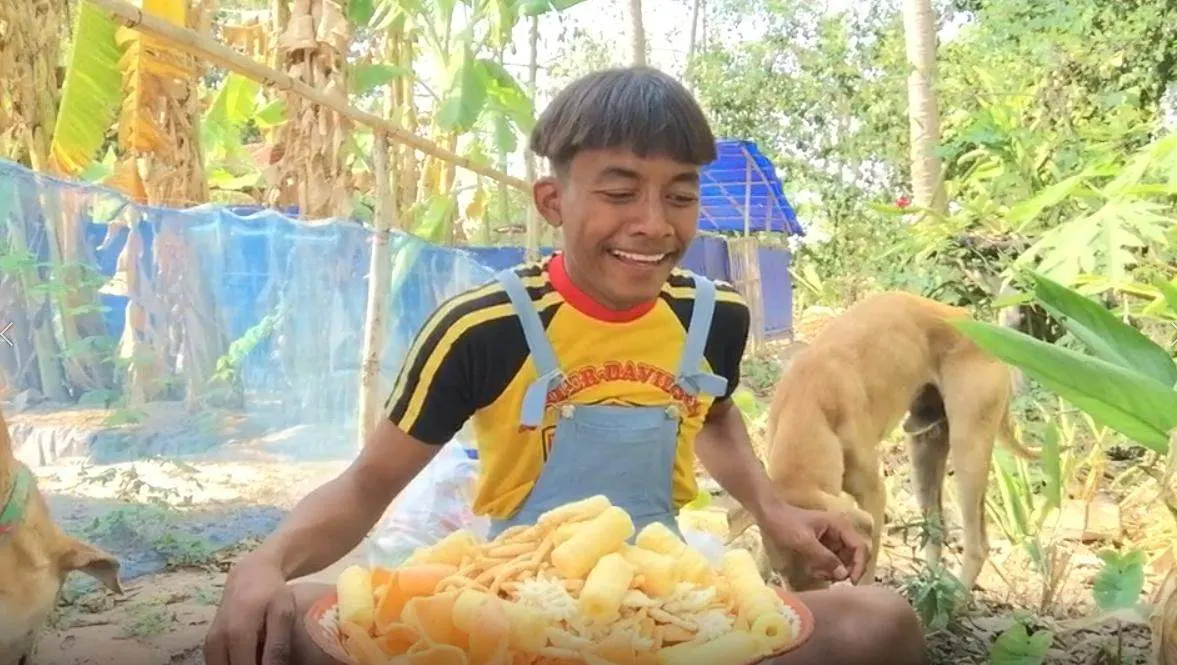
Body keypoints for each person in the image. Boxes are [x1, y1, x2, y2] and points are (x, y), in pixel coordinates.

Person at [203, 66, 926, 665]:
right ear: (553, 200)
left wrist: (776, 513)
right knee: (283, 622)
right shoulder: (482, 328)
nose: (654, 223)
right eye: (619, 192)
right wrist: (265, 562)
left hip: (667, 612)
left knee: (880, 622)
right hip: (509, 606)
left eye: (679, 195)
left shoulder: (713, 317)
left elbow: (713, 414)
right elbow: (368, 484)